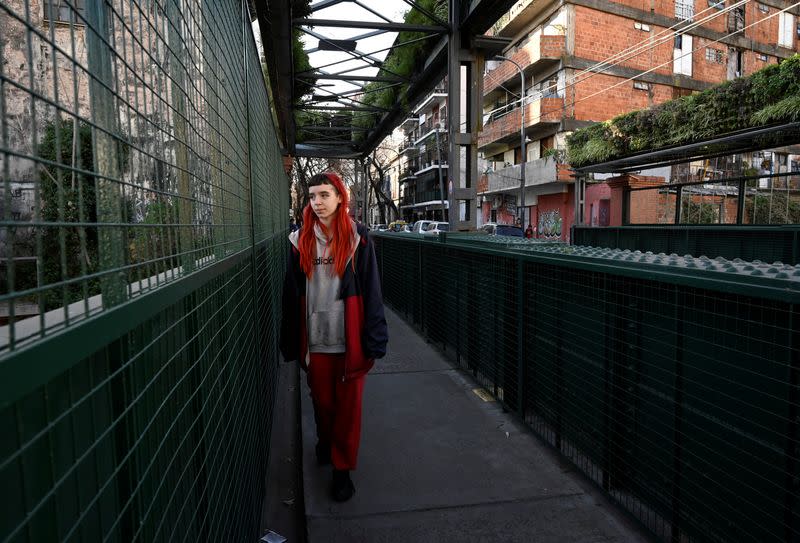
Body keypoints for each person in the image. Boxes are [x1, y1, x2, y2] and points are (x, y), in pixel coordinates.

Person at [280, 172, 388, 502]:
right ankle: (326, 441)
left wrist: (375, 337)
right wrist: (289, 339)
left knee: (348, 411)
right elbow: (290, 294)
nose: (318, 202)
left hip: (350, 342)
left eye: (325, 195)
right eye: (313, 196)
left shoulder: (359, 239)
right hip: (316, 341)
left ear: (340, 197)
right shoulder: (300, 241)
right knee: (323, 404)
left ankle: (343, 472)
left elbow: (372, 291)